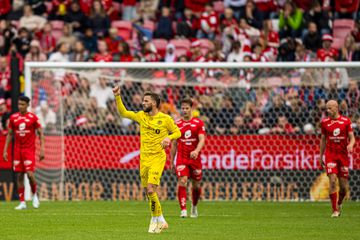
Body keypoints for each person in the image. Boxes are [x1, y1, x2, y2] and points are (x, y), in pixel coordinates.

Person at [112, 86, 181, 233]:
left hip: (157, 157)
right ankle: (156, 219)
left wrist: (168, 137)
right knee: (147, 192)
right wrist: (117, 96)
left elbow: (177, 132)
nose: (143, 103)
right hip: (144, 159)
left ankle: (160, 220)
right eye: (143, 101)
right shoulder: (141, 116)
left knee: (151, 189)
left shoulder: (165, 119)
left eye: (146, 101)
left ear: (154, 103)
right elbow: (123, 112)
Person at [2, 96, 45, 210]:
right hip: (17, 150)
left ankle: (35, 195)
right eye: (19, 104)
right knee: (19, 175)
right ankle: (22, 202)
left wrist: (42, 149)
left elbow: (40, 133)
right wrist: (5, 150)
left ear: (27, 105)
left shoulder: (33, 118)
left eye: (22, 104)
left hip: (29, 149)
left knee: (30, 174)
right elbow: (10, 134)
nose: (20, 106)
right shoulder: (13, 118)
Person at [319, 100, 356, 217]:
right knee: (333, 181)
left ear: (336, 107)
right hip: (330, 155)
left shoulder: (346, 121)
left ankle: (339, 202)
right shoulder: (324, 122)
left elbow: (352, 138)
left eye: (330, 108)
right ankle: (334, 210)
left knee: (344, 188)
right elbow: (323, 140)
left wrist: (350, 144)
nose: (327, 110)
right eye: (326, 108)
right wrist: (321, 156)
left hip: (343, 156)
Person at [170, 98, 206, 218]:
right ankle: (183, 210)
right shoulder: (177, 124)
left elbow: (202, 139)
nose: (184, 110)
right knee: (183, 181)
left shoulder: (198, 123)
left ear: (191, 109)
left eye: (187, 108)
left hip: (195, 159)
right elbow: (174, 144)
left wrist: (196, 150)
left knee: (196, 185)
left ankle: (194, 207)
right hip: (182, 158)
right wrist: (171, 161)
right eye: (183, 108)